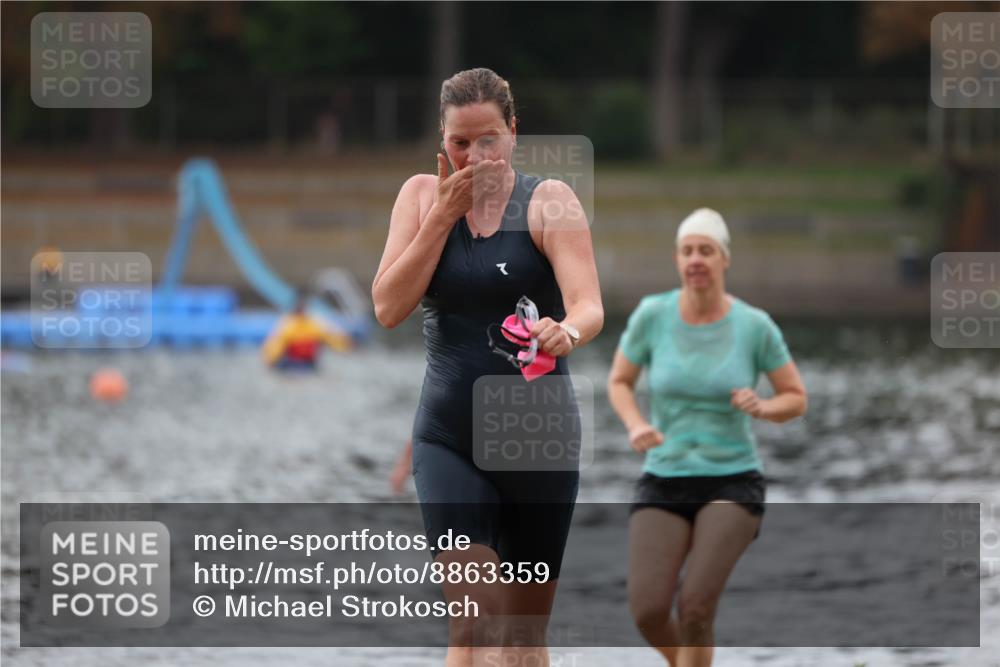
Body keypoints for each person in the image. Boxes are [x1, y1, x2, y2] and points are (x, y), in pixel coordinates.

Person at [372, 67, 603, 666]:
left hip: (538, 441)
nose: (474, 155)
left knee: (521, 642)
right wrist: (443, 215)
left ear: (513, 133)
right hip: (449, 437)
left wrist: (566, 330)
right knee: (473, 622)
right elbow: (388, 306)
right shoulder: (421, 196)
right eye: (459, 143)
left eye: (489, 141)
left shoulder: (550, 201)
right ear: (441, 139)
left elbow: (589, 305)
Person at [607, 208, 807, 667]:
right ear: (677, 259)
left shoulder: (754, 325)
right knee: (649, 611)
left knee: (695, 604)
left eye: (706, 250)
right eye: (687, 251)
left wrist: (764, 407)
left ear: (724, 260)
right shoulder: (652, 315)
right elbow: (619, 380)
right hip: (665, 475)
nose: (696, 259)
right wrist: (636, 424)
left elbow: (795, 397)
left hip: (732, 480)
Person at [261, 292, 352, 370]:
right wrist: (271, 360)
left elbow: (333, 338)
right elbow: (275, 344)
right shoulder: (287, 324)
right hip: (291, 364)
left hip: (308, 365)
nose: (301, 308)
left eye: (302, 306)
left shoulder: (314, 323)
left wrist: (345, 345)